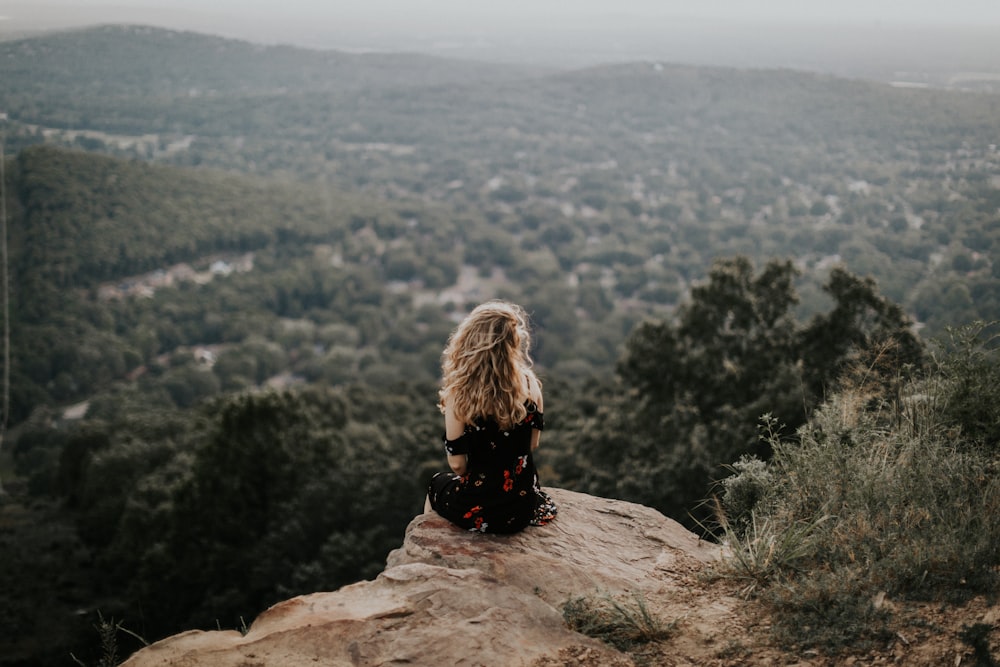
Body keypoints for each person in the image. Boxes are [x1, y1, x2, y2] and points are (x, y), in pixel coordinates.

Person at [425, 300, 557, 534]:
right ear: (513, 342)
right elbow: (532, 444)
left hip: (478, 506)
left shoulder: (461, 393)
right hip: (520, 507)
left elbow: (457, 465)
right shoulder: (530, 384)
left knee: (435, 484)